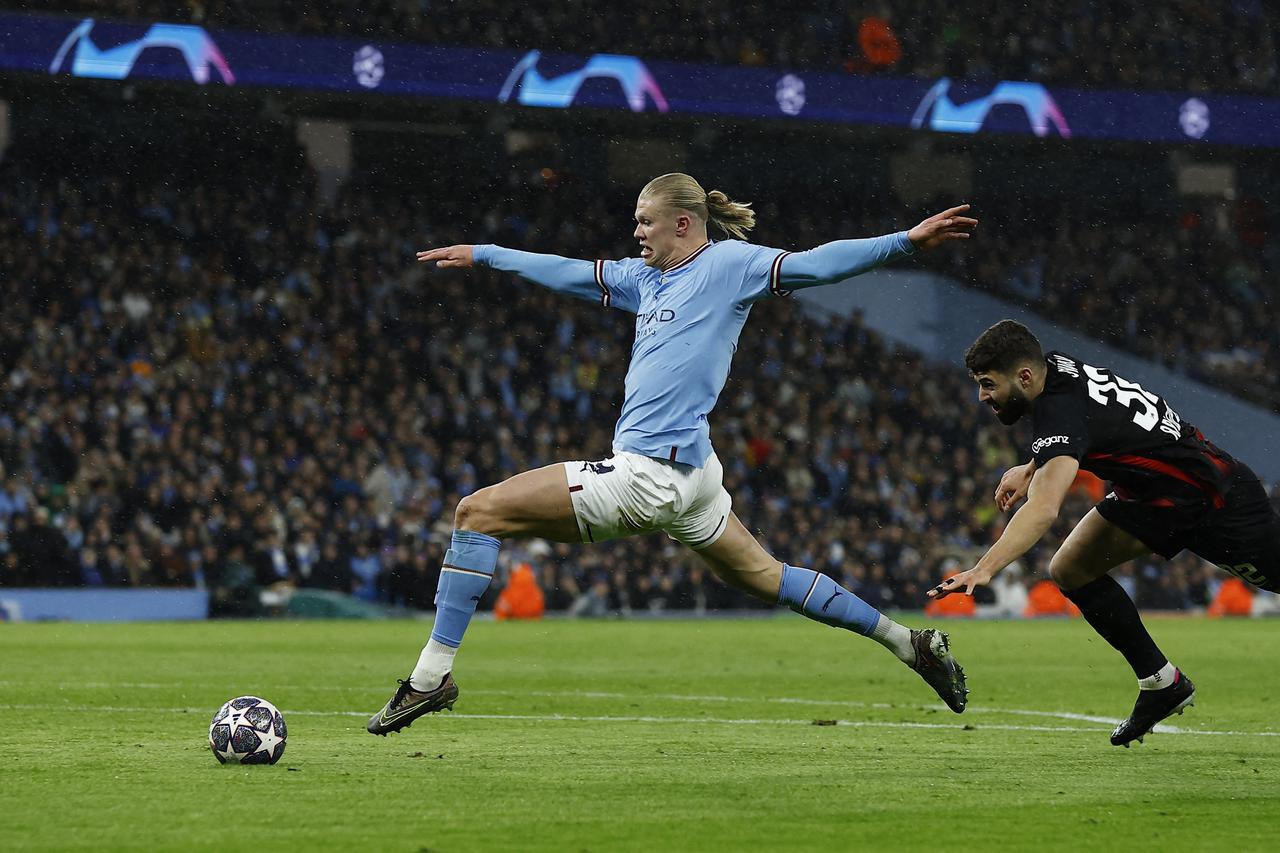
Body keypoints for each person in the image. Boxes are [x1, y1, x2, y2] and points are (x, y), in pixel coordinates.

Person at [368, 172, 977, 735]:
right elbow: (568, 271)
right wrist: (486, 255)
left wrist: (905, 241)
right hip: (696, 479)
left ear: (682, 224)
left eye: (645, 222)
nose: (636, 233)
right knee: (771, 578)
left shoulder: (731, 265)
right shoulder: (645, 280)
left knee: (476, 514)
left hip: (649, 475)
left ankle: (429, 679)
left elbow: (817, 265)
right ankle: (908, 644)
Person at [930, 319, 1280, 746]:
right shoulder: (1055, 368)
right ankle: (1160, 682)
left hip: (1212, 498)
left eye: (988, 385)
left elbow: (1043, 509)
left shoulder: (1059, 409)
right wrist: (1031, 466)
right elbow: (1087, 425)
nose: (982, 396)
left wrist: (983, 570)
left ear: (1024, 376)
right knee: (1071, 568)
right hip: (1151, 497)